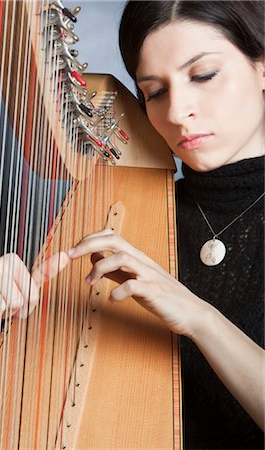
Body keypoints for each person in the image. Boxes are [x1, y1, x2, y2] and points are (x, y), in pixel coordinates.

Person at [67, 1, 265, 449]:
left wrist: (199, 317)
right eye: (155, 92)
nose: (176, 112)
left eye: (203, 75)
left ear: (261, 66)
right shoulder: (127, 219)